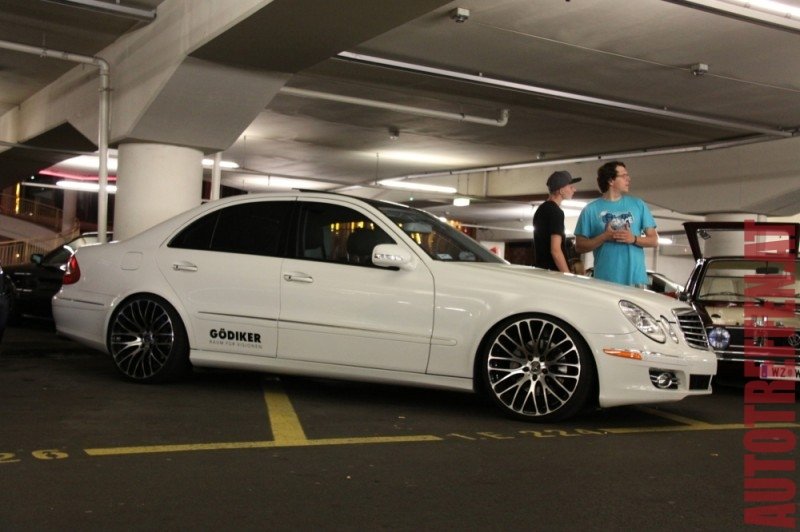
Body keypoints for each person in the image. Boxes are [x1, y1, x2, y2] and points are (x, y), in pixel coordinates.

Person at [574, 161, 658, 286]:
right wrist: (604, 237)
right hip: (604, 281)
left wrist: (633, 239)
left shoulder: (638, 204)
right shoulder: (590, 210)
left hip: (635, 280)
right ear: (611, 181)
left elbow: (654, 240)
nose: (628, 179)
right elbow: (579, 246)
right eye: (624, 176)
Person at [533, 170, 581, 272]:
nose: (574, 189)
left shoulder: (540, 210)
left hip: (541, 271)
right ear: (561, 190)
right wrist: (567, 275)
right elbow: (555, 250)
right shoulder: (556, 212)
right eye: (570, 187)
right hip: (553, 273)